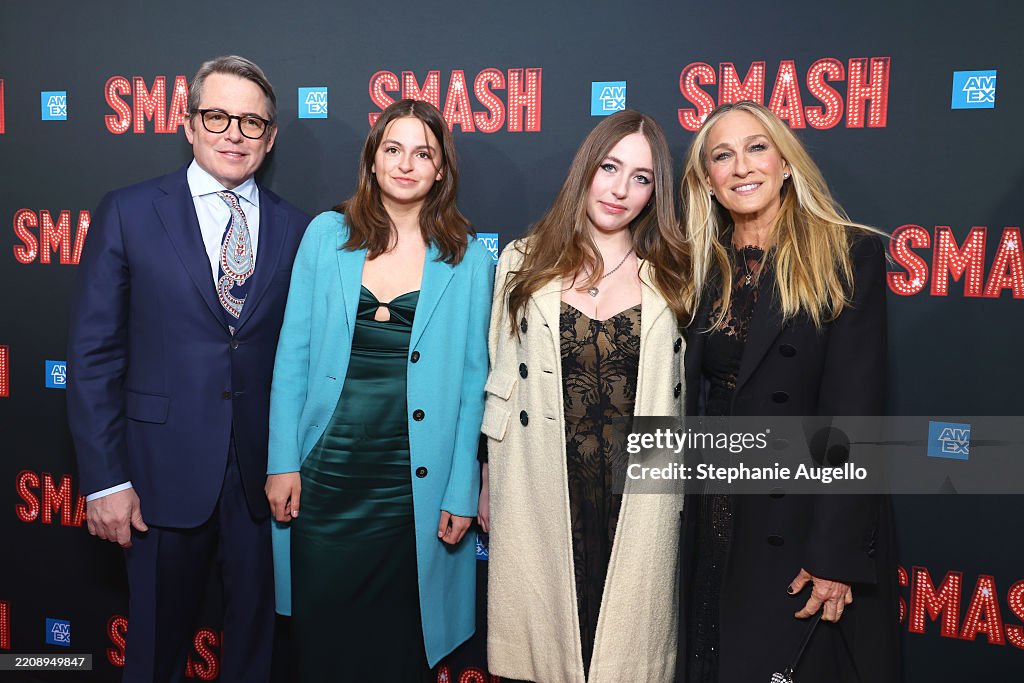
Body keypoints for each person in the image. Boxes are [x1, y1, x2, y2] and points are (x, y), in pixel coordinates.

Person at [67, 56, 310, 682]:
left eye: (252, 122)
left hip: (262, 481)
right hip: (156, 476)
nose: (234, 133)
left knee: (256, 653)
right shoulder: (128, 211)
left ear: (271, 136)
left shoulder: (297, 228)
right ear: (189, 124)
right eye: (218, 116)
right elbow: (93, 358)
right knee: (153, 652)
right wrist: (103, 481)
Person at [265, 98, 491, 681]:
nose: (406, 164)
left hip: (411, 482)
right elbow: (292, 357)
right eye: (393, 149)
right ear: (372, 159)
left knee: (399, 649)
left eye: (423, 153)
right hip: (327, 476)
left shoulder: (465, 255)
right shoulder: (326, 235)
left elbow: (474, 383)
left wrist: (462, 487)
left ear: (441, 169)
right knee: (321, 643)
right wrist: (282, 462)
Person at [676, 100, 898, 682]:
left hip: (800, 518)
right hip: (713, 513)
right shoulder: (701, 267)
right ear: (707, 180)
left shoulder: (846, 253)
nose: (742, 166)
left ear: (786, 163)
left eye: (757, 147)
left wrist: (835, 555)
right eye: (722, 155)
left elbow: (855, 413)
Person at [482, 110, 689, 683]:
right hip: (543, 481)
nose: (621, 189)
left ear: (656, 191)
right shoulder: (521, 263)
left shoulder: (673, 274)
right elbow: (499, 380)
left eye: (641, 177)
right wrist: (487, 482)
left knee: (629, 649)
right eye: (609, 167)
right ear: (586, 170)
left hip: (638, 494)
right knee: (543, 652)